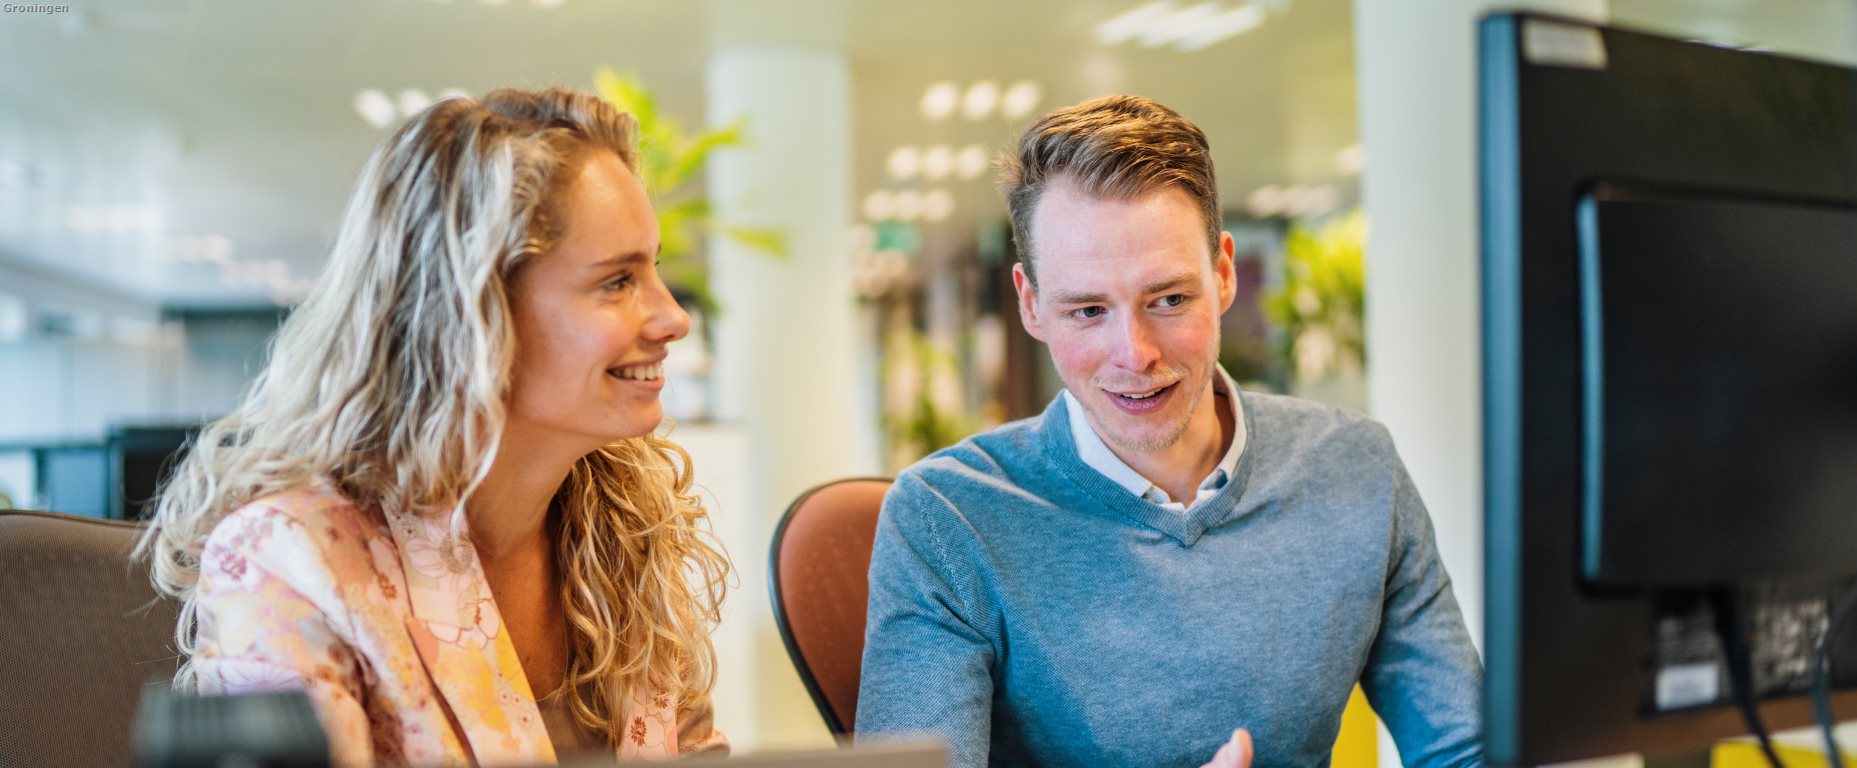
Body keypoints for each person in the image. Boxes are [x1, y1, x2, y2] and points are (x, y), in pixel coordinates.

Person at [855, 95, 1483, 768]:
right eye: (1088, 310)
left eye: (1170, 299)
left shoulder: (1356, 468)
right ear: (1031, 305)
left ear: (1224, 273)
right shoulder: (946, 518)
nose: (1135, 354)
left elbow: (1468, 749)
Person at [136, 88, 729, 766]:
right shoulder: (293, 559)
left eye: (654, 269)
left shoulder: (621, 525)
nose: (673, 318)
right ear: (475, 311)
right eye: (617, 281)